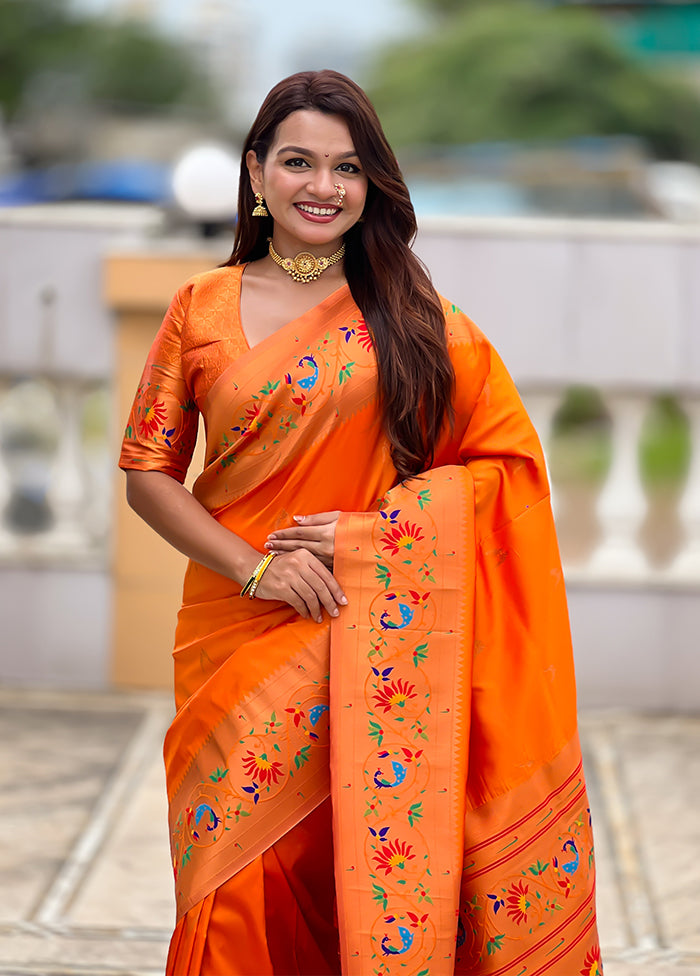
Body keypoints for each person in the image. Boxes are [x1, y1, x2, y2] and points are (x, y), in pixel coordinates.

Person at [119, 69, 602, 976]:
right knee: (229, 890)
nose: (322, 187)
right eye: (298, 162)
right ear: (256, 172)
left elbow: (508, 471)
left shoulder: (417, 325)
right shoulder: (199, 310)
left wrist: (376, 542)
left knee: (347, 879)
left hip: (367, 635)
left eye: (347, 168)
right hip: (232, 633)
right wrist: (254, 567)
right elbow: (148, 471)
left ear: (371, 185)